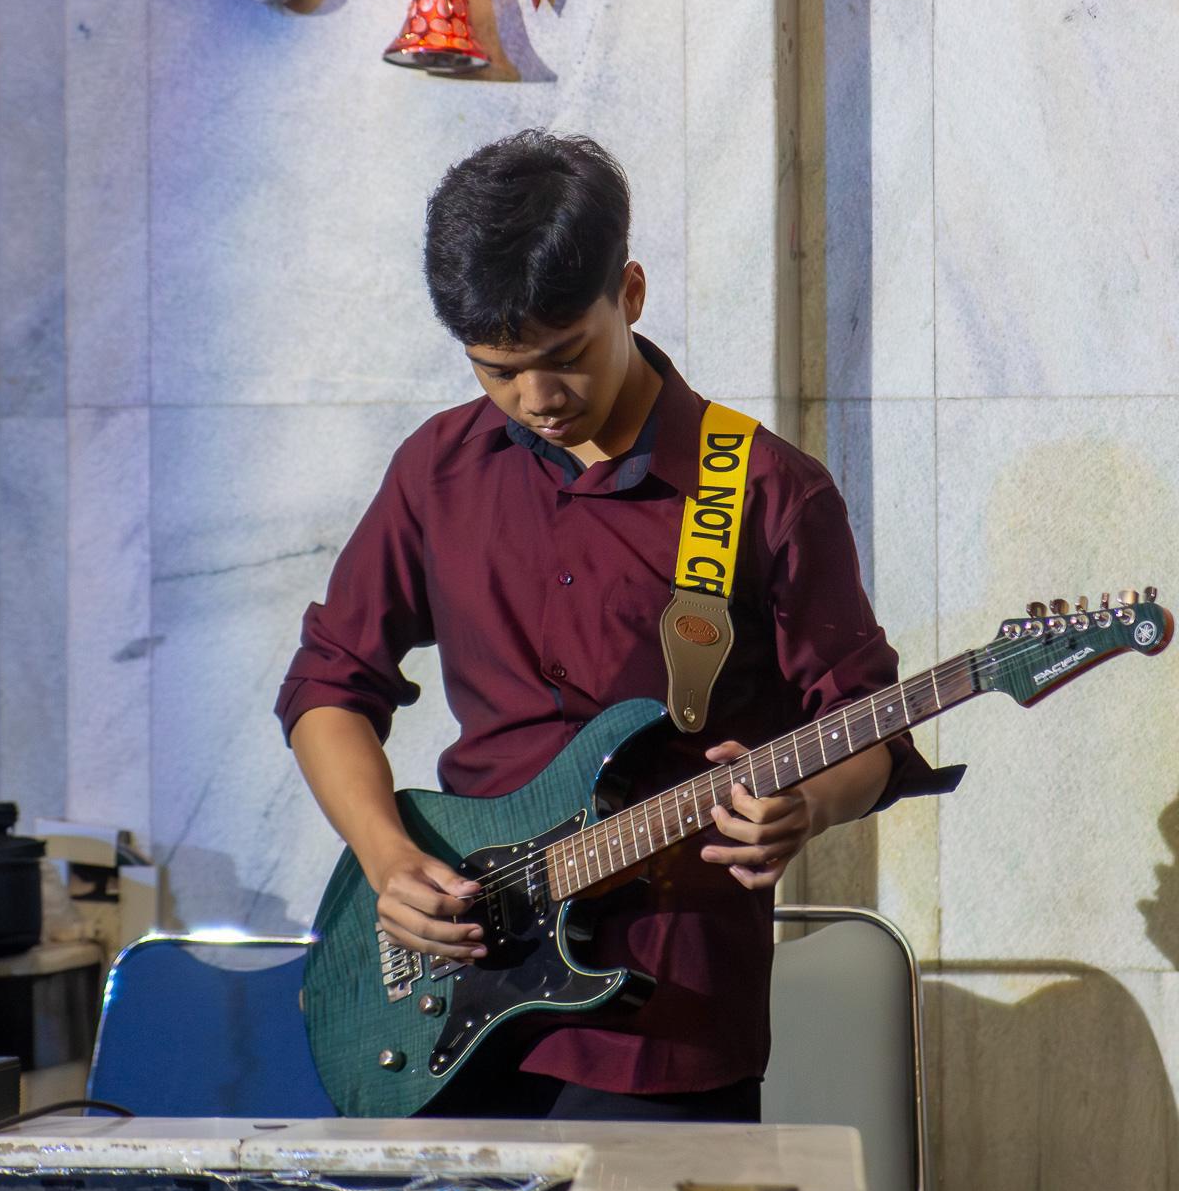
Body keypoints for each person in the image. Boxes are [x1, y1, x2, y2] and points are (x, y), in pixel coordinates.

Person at [275, 130, 963, 1123]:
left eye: (565, 358)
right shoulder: (436, 469)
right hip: (446, 1005)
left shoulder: (765, 489)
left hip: (664, 1021)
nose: (536, 399)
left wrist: (807, 806)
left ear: (629, 293)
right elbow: (329, 682)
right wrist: (387, 859)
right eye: (497, 371)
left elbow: (868, 725)